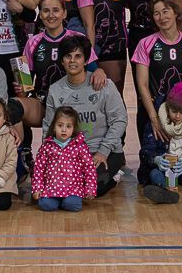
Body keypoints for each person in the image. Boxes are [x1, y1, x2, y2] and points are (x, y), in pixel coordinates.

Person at [131, 0, 182, 182]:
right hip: (157, 111)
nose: (162, 17)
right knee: (152, 164)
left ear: (175, 12)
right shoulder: (146, 44)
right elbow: (142, 84)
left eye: (165, 11)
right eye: (156, 13)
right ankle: (158, 186)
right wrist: (154, 118)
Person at [43, 36, 127, 197]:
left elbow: (119, 120)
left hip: (104, 151)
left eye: (78, 56)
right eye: (68, 56)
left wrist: (103, 152)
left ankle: (114, 176)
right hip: (70, 154)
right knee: (56, 186)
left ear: (86, 60)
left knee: (94, 187)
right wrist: (50, 158)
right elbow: (49, 127)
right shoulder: (55, 90)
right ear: (62, 61)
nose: (72, 61)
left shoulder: (105, 85)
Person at [16, 0, 102, 129]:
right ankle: (21, 142)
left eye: (56, 10)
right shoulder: (32, 42)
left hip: (75, 103)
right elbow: (24, 86)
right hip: (43, 104)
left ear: (64, 13)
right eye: (45, 11)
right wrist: (21, 88)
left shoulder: (78, 38)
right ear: (40, 14)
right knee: (14, 106)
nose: (51, 15)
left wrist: (99, 71)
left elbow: (93, 69)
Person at [31, 106, 97, 212]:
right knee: (46, 205)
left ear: (74, 128)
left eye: (68, 126)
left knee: (72, 205)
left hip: (73, 190)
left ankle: (65, 202)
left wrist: (90, 188)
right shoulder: (47, 146)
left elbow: (89, 168)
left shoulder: (80, 146)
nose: (64, 130)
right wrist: (37, 188)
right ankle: (57, 202)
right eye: (60, 125)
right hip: (51, 189)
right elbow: (39, 168)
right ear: (54, 127)